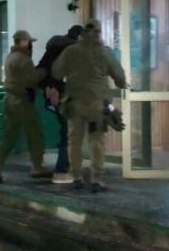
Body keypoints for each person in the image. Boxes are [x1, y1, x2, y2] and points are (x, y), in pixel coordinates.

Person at [52, 19, 127, 193]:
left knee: (74, 141)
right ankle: (96, 179)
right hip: (96, 106)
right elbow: (119, 76)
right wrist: (121, 84)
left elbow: (56, 72)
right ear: (99, 33)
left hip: (74, 104)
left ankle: (77, 177)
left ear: (83, 33)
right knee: (96, 141)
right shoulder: (105, 52)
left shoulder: (71, 51)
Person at [0, 30, 53, 183]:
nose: (30, 45)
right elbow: (33, 78)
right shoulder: (23, 59)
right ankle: (37, 166)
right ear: (22, 41)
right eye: (29, 41)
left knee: (10, 135)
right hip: (23, 101)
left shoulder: (10, 57)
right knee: (34, 133)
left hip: (9, 99)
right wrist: (44, 71)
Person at [36, 25, 84, 184]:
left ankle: (65, 168)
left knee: (66, 130)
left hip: (54, 95)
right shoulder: (70, 50)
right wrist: (54, 87)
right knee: (68, 131)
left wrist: (48, 87)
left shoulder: (54, 48)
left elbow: (41, 71)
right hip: (64, 96)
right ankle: (62, 170)